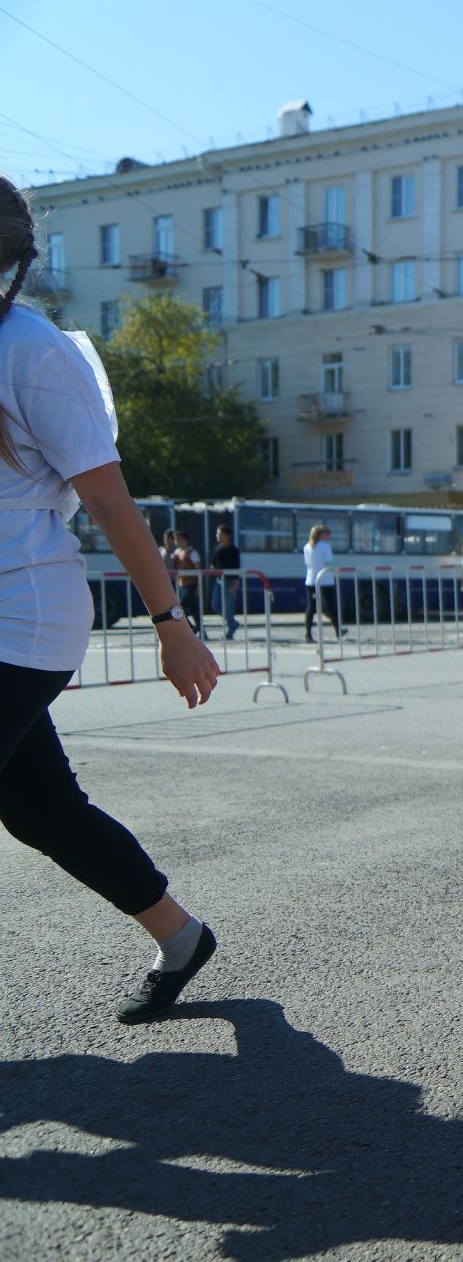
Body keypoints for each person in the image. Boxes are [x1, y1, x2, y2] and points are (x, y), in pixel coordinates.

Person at [0, 174, 224, 1023]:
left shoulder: (32, 351)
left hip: (22, 616)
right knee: (39, 810)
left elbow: (109, 503)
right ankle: (180, 934)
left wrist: (172, 624)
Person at [301, 524, 341, 643]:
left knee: (311, 607)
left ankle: (308, 634)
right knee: (331, 606)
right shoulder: (325, 546)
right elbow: (329, 564)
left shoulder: (307, 546)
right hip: (326, 580)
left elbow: (307, 563)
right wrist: (335, 571)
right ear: (322, 535)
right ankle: (338, 631)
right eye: (328, 534)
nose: (329, 537)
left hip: (311, 580)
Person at [211, 524, 242, 641]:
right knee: (215, 605)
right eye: (217, 534)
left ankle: (230, 630)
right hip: (219, 580)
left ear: (227, 535)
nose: (217, 536)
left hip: (230, 581)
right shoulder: (217, 549)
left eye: (220, 534)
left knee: (228, 607)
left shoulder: (233, 550)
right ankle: (232, 622)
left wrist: (235, 583)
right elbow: (213, 563)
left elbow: (236, 567)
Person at [172, 529, 204, 635]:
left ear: (185, 540)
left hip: (191, 584)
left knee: (181, 606)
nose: (177, 542)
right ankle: (201, 631)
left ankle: (191, 627)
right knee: (193, 609)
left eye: (179, 539)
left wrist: (199, 587)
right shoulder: (177, 553)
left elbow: (198, 569)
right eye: (176, 540)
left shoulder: (192, 553)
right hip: (182, 584)